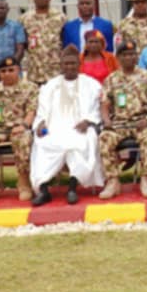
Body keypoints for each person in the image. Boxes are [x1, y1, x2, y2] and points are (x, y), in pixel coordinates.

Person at [30, 46, 105, 206]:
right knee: (42, 142)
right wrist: (41, 123)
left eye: (73, 63)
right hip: (55, 127)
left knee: (82, 142)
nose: (69, 67)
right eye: (66, 64)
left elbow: (97, 110)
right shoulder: (50, 86)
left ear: (79, 64)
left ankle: (72, 188)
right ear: (61, 66)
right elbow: (42, 111)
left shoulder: (92, 84)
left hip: (80, 128)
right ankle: (43, 190)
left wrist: (89, 121)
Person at [98, 40, 147, 199]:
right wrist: (106, 121)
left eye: (132, 54)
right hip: (118, 124)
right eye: (125, 55)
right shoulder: (111, 79)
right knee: (105, 138)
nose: (129, 58)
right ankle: (113, 181)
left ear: (137, 57)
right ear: (118, 58)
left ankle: (146, 179)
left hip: (141, 121)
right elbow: (105, 103)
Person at [0, 57, 39, 202]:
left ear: (19, 71)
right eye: (3, 71)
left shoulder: (30, 88)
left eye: (11, 70)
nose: (7, 73)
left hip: (20, 128)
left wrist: (23, 125)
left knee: (22, 141)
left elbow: (32, 112)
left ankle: (24, 183)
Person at [21, 0, 68, 87]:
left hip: (55, 71)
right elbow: (23, 43)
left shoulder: (60, 18)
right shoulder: (25, 19)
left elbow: (65, 41)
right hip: (34, 71)